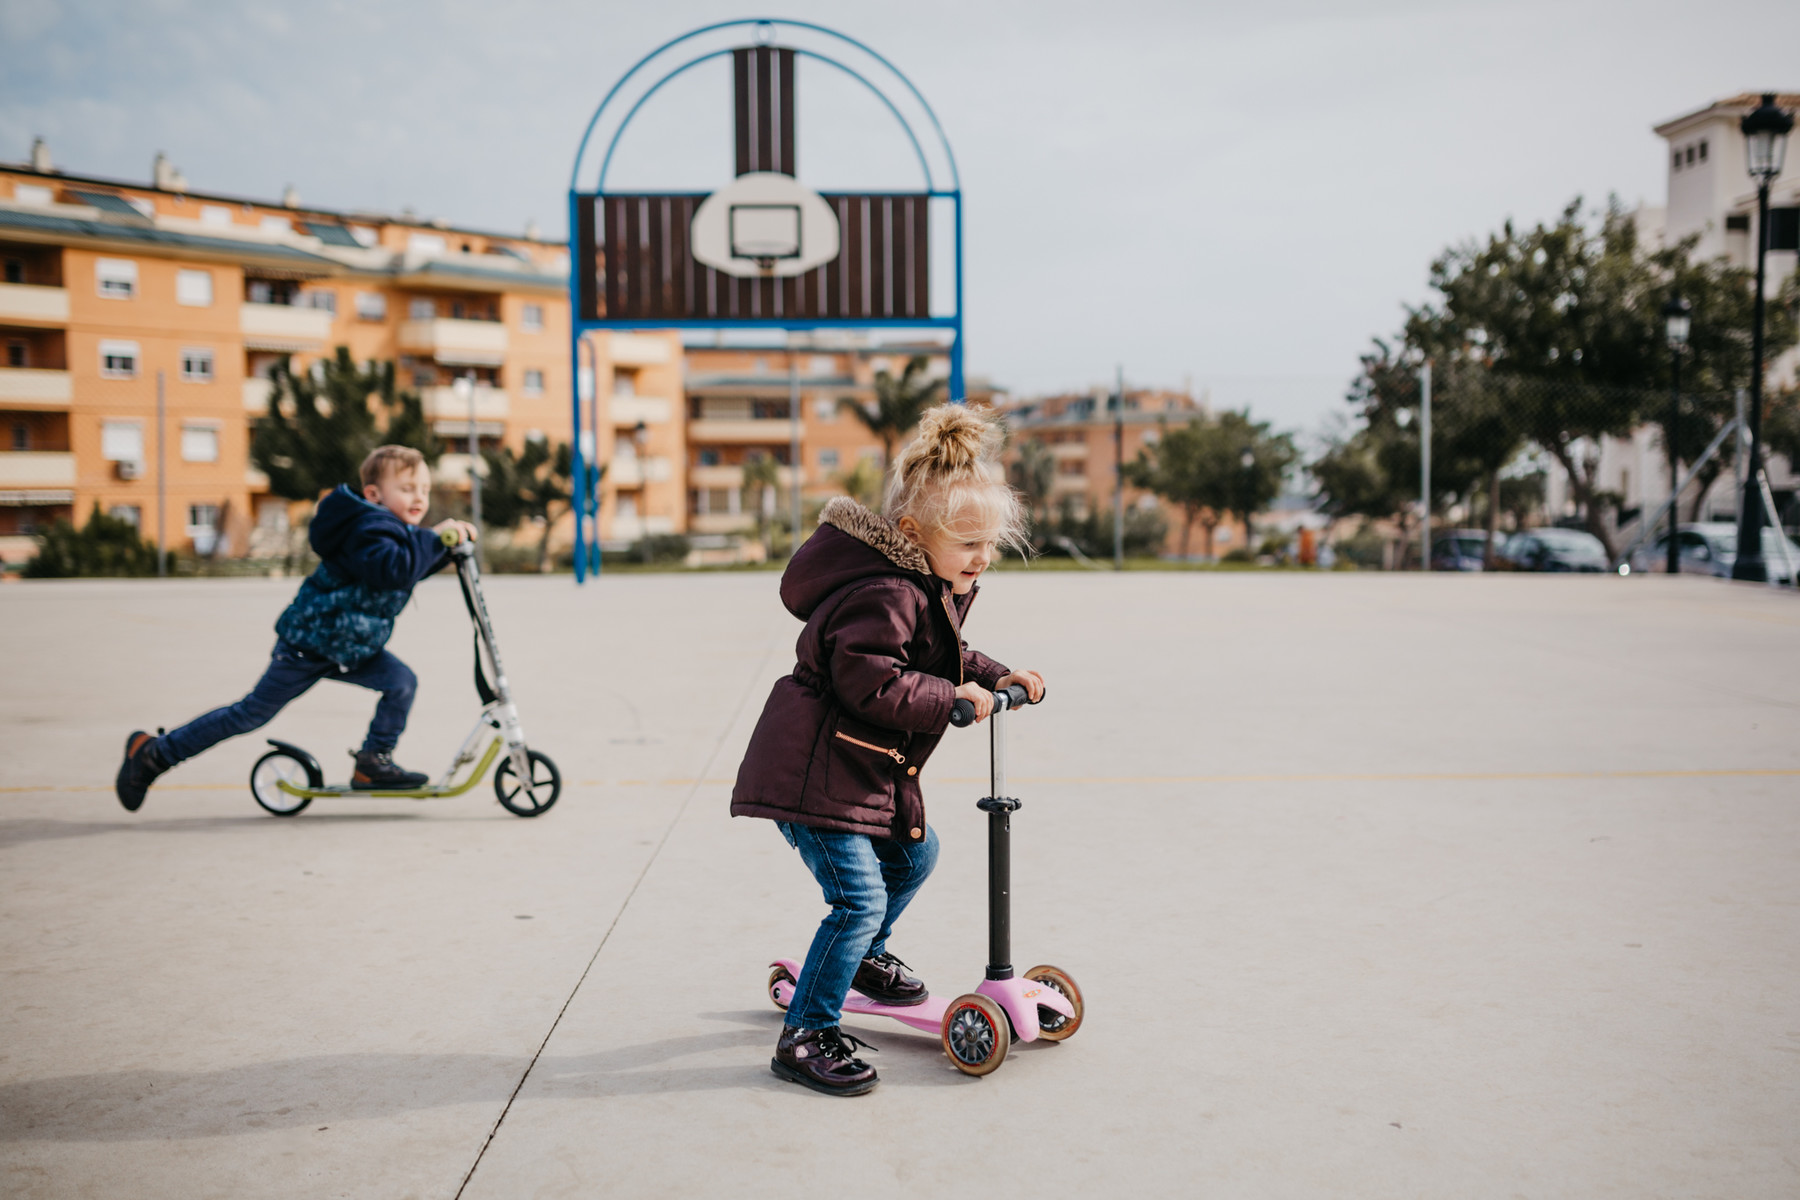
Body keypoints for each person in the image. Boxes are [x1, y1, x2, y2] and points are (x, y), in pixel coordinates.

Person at [731, 404, 1046, 1096]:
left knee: (916, 854)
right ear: (912, 534)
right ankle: (806, 1033)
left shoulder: (924, 584)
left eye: (989, 545)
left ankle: (864, 959)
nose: (982, 559)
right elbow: (871, 679)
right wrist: (952, 701)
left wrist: (996, 677)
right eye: (969, 545)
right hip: (815, 775)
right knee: (857, 898)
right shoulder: (883, 591)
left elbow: (947, 654)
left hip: (857, 771)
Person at [114, 445, 477, 810]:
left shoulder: (393, 529)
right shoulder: (368, 528)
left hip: (351, 647)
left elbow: (402, 572)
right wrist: (433, 539)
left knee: (400, 682)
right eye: (408, 488)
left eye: (425, 490)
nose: (419, 497)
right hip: (310, 644)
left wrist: (445, 550)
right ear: (374, 494)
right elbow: (391, 570)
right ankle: (154, 754)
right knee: (251, 713)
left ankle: (372, 762)